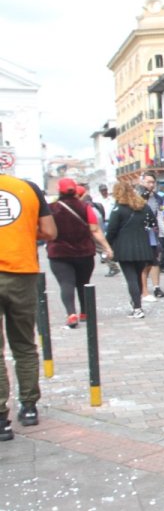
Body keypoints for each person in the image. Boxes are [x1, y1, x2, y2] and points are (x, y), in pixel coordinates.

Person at [0, 167, 56, 438]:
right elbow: (49, 231)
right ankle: (29, 406)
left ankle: (1, 419)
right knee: (24, 344)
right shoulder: (28, 188)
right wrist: (22, 232)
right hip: (22, 272)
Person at [47, 178, 113, 327]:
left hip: (59, 253)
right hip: (84, 253)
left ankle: (71, 314)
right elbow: (95, 230)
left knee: (66, 284)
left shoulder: (51, 208)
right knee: (84, 283)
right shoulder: (85, 207)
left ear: (59, 190)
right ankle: (84, 312)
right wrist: (106, 247)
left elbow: (46, 230)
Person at [106, 181, 158, 319]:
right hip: (143, 245)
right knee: (138, 276)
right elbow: (153, 223)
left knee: (131, 278)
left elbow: (111, 230)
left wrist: (108, 245)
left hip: (125, 248)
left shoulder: (118, 209)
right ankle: (137, 303)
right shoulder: (143, 206)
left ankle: (137, 307)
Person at [142, 173, 164, 300]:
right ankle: (144, 289)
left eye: (153, 182)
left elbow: (161, 214)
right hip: (141, 233)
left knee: (155, 260)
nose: (151, 184)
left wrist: (163, 232)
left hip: (154, 232)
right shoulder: (137, 197)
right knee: (144, 262)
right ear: (142, 182)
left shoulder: (158, 198)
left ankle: (156, 287)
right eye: (148, 182)